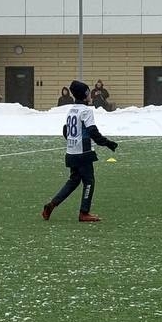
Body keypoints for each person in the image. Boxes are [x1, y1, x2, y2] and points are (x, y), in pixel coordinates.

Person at [42, 79, 117, 223]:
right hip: (83, 152)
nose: (90, 95)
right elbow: (93, 131)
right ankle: (84, 213)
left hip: (71, 152)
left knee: (74, 180)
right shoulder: (86, 111)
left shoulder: (71, 110)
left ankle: (52, 205)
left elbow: (66, 130)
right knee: (89, 181)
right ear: (84, 95)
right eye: (88, 93)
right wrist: (107, 143)